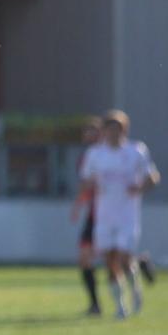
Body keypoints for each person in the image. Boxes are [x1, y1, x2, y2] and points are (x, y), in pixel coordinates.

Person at [78, 110, 159, 319]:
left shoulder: (136, 151)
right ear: (104, 131)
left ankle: (135, 289)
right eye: (110, 129)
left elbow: (153, 176)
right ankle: (120, 305)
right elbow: (86, 180)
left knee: (124, 258)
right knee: (110, 261)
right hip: (104, 216)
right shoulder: (95, 154)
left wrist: (140, 188)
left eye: (118, 129)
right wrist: (93, 185)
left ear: (124, 130)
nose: (113, 133)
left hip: (127, 216)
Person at [69, 117, 103, 315]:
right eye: (86, 132)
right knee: (84, 257)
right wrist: (78, 205)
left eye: (93, 131)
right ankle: (95, 304)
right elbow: (86, 186)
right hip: (93, 214)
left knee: (116, 257)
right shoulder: (87, 157)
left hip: (111, 214)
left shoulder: (109, 155)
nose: (88, 135)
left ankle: (139, 262)